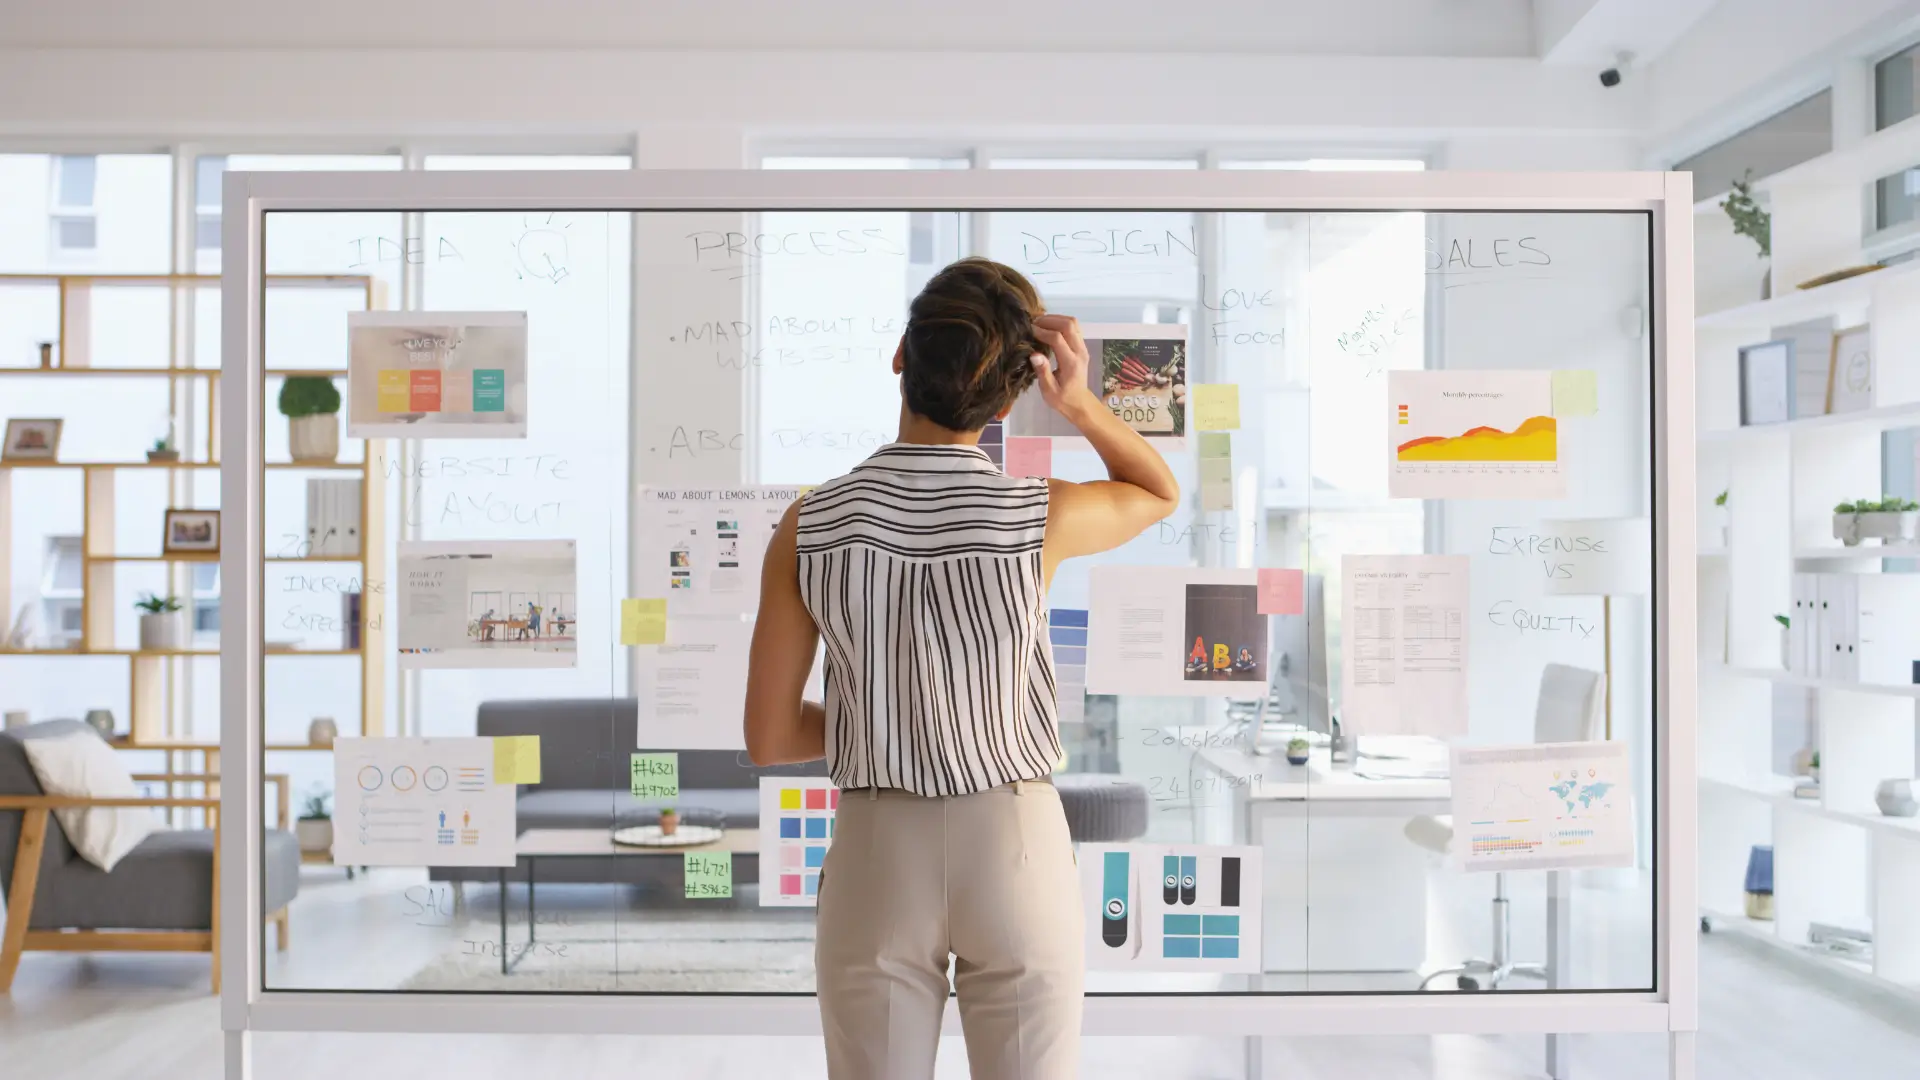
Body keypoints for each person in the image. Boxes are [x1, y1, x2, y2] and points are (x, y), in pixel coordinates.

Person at [744, 257, 1179, 1080]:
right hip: (1015, 842)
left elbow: (769, 736)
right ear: (1014, 392)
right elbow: (1157, 491)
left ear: (901, 355)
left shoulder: (810, 524)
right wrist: (1081, 402)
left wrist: (891, 715)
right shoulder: (1037, 511)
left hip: (877, 848)